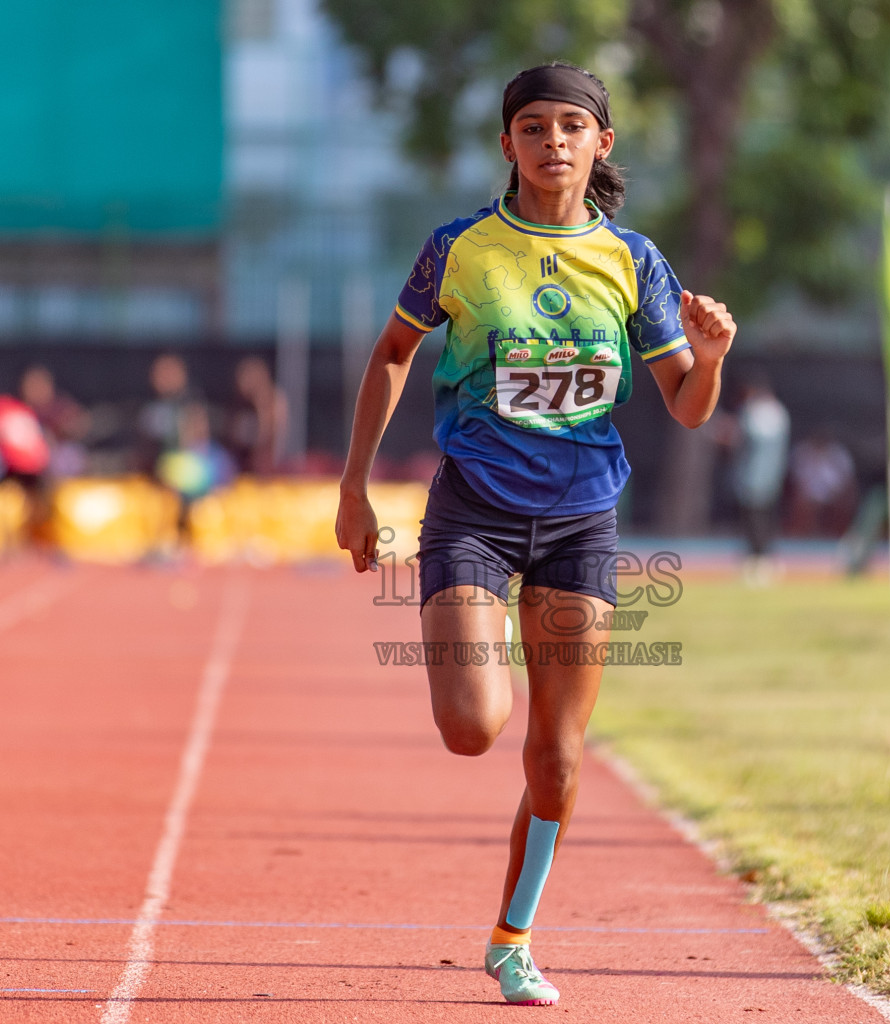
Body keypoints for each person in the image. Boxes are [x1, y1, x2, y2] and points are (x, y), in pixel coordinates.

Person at [335, 64, 736, 1006]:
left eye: (571, 125)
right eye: (531, 125)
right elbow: (394, 352)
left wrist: (708, 359)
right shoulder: (459, 248)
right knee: (475, 727)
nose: (552, 140)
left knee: (556, 757)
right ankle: (474, 668)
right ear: (507, 145)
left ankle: (513, 937)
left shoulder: (635, 260)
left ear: (602, 145)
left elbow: (685, 406)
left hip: (581, 520)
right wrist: (353, 487)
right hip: (473, 509)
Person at [727, 379, 789, 584]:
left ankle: (758, 561)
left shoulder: (753, 413)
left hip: (752, 476)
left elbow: (741, 437)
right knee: (766, 519)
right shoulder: (780, 413)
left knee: (753, 521)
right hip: (773, 476)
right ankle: (763, 559)